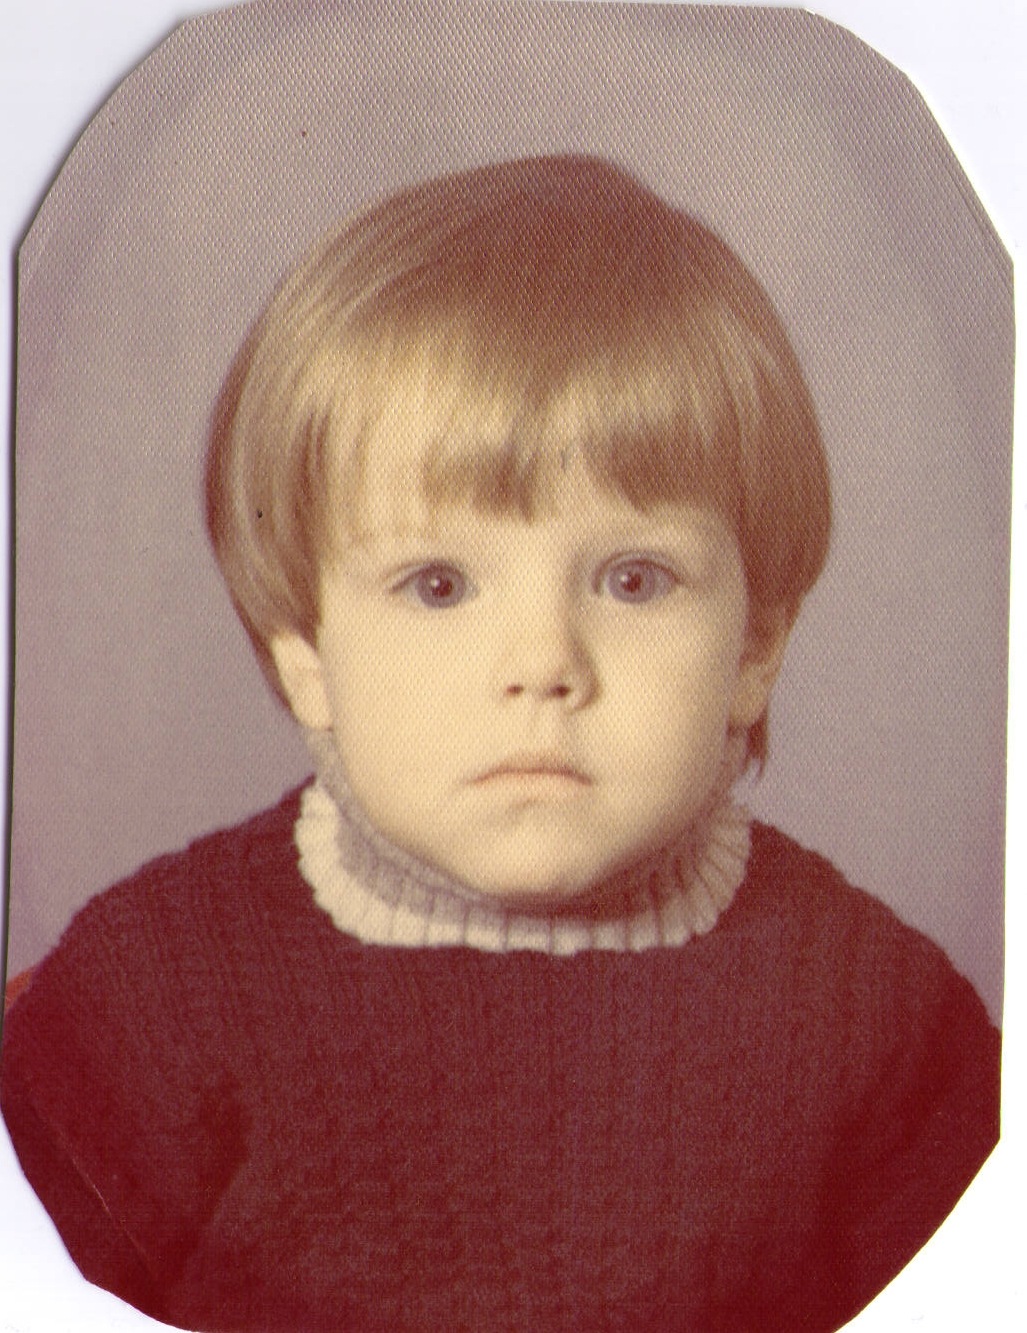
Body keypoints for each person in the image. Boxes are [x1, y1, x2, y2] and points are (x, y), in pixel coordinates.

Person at [1, 155, 999, 1332]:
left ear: (755, 647)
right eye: (437, 584)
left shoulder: (881, 1029)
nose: (541, 663)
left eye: (634, 578)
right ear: (305, 650)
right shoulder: (146, 1001)